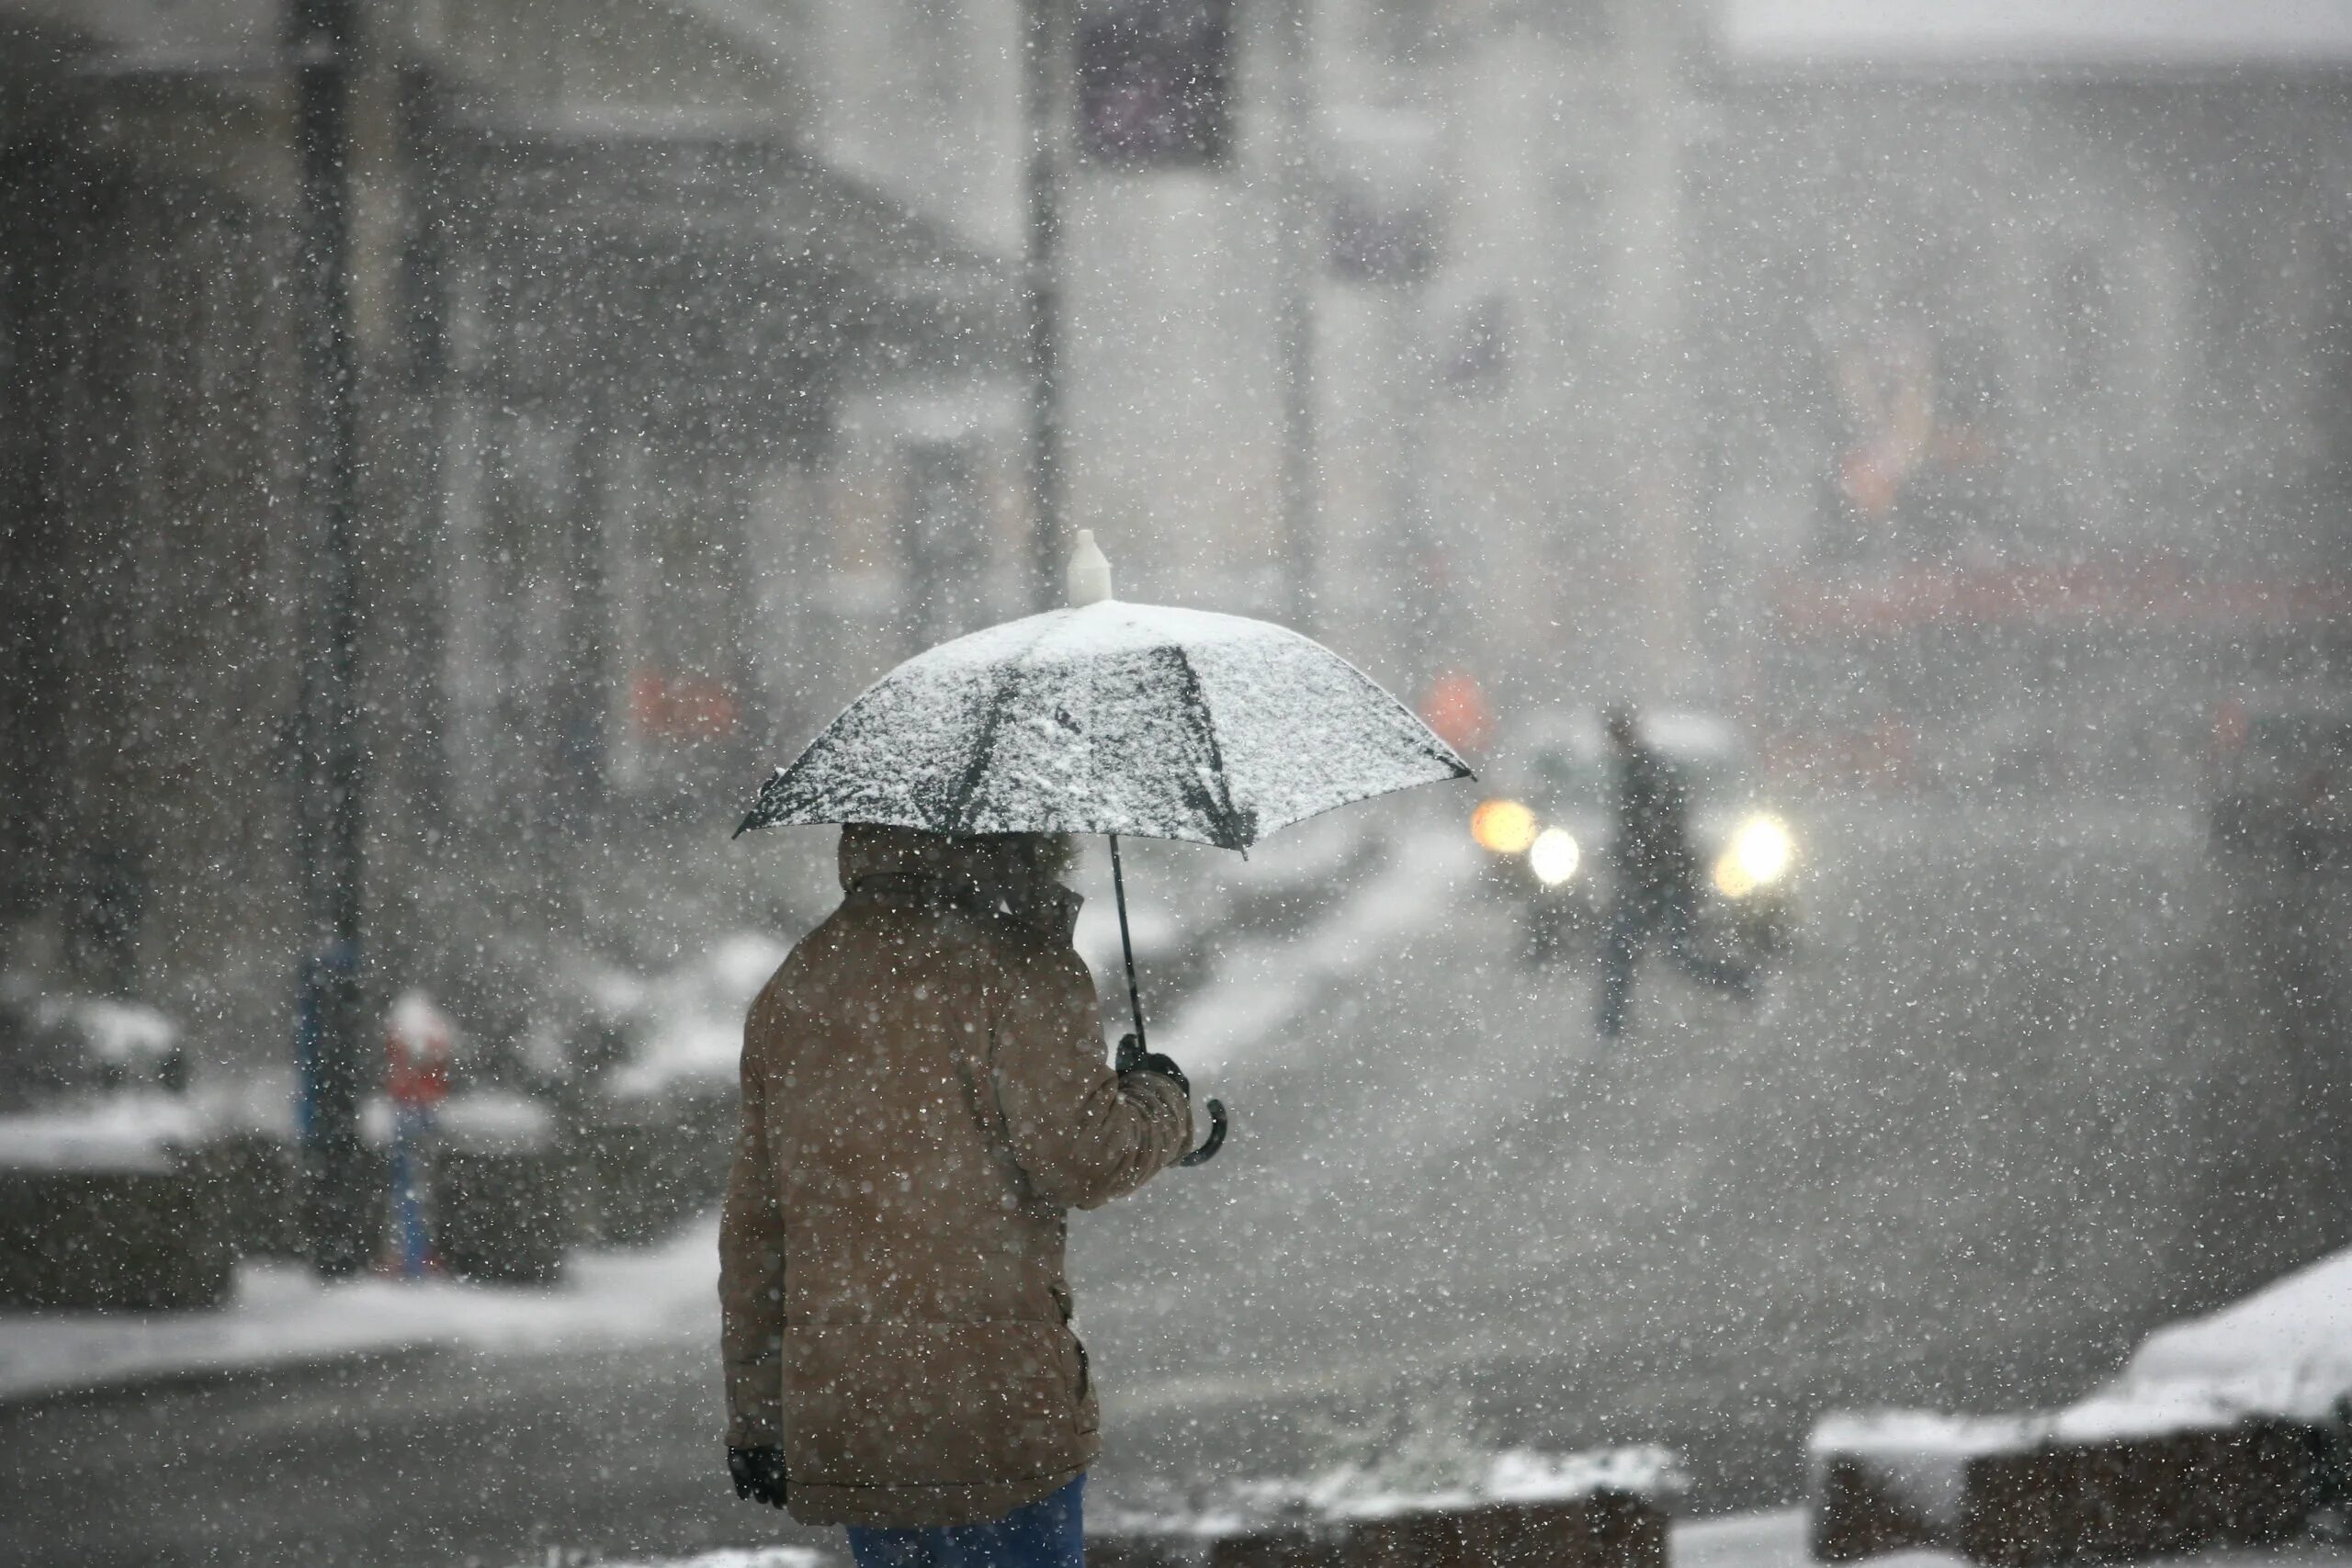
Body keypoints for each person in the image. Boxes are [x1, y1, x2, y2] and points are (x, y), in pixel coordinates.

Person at [719, 824, 1194, 1568]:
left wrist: (758, 1416)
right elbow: (1085, 1158)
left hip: (856, 1410)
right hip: (996, 1405)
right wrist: (1162, 1097)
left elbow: (757, 1227)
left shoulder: (800, 981)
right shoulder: (1023, 967)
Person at [1596, 705, 1753, 1037]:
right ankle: (1611, 1024)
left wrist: (1642, 864)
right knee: (1641, 951)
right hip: (1658, 880)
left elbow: (1659, 831)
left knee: (1663, 953)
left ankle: (1742, 981)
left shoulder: (1646, 773)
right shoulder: (1640, 770)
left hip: (1660, 881)